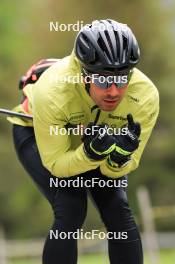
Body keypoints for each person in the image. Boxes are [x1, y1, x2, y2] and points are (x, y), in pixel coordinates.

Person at [8, 19, 159, 264]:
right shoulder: (54, 92)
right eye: (102, 80)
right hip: (37, 132)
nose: (113, 91)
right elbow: (57, 164)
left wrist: (119, 157)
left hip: (93, 137)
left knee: (118, 210)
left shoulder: (144, 96)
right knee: (71, 206)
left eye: (122, 79)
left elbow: (122, 168)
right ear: (83, 73)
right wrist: (90, 154)